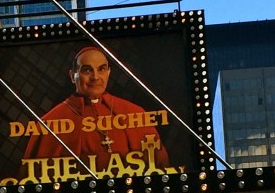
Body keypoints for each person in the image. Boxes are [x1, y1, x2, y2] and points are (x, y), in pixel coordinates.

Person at [21, 44, 171, 179]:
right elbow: (35, 178)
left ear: (109, 73)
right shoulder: (50, 122)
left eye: (101, 69)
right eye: (87, 70)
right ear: (72, 76)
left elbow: (160, 168)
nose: (95, 77)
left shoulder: (133, 112)